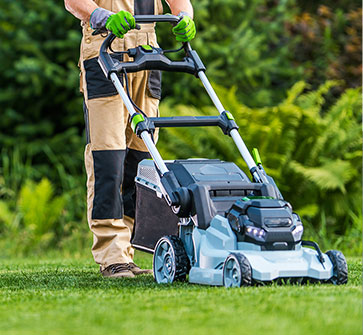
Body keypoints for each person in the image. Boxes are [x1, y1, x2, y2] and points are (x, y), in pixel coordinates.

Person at [64, 0, 196, 278]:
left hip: (148, 53)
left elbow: (179, 2)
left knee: (141, 161)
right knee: (108, 157)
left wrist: (185, 17)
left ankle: (129, 252)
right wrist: (101, 16)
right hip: (104, 46)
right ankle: (112, 254)